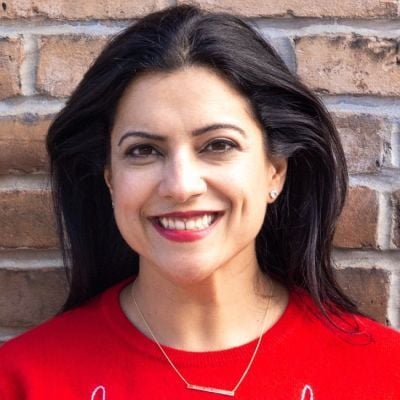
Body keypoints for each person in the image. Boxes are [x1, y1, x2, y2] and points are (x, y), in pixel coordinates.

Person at [0, 5, 399, 400]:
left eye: (218, 145)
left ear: (274, 171)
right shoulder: (21, 379)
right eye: (143, 151)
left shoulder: (385, 372)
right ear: (110, 178)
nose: (181, 185)